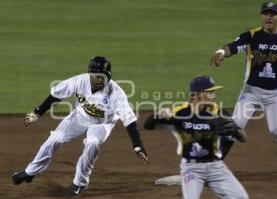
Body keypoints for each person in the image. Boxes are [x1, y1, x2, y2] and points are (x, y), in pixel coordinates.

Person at [11, 56, 149, 196]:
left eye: (103, 77)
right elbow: (57, 95)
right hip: (79, 116)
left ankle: (79, 183)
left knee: (92, 144)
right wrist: (38, 112)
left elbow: (129, 120)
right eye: (97, 76)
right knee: (53, 141)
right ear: (90, 74)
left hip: (103, 123)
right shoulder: (79, 81)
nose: (100, 80)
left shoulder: (116, 94)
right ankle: (30, 172)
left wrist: (137, 144)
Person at [210, 1, 277, 176]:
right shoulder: (251, 36)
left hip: (276, 95)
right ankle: (215, 164)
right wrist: (221, 52)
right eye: (266, 13)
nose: (269, 17)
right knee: (234, 126)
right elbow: (232, 47)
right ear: (261, 16)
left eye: (272, 14)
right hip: (250, 93)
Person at [144, 75, 249, 199]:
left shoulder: (218, 113)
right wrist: (158, 114)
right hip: (191, 169)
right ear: (198, 95)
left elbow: (243, 138)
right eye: (210, 92)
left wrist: (236, 132)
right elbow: (148, 125)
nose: (214, 95)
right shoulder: (180, 112)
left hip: (216, 167)